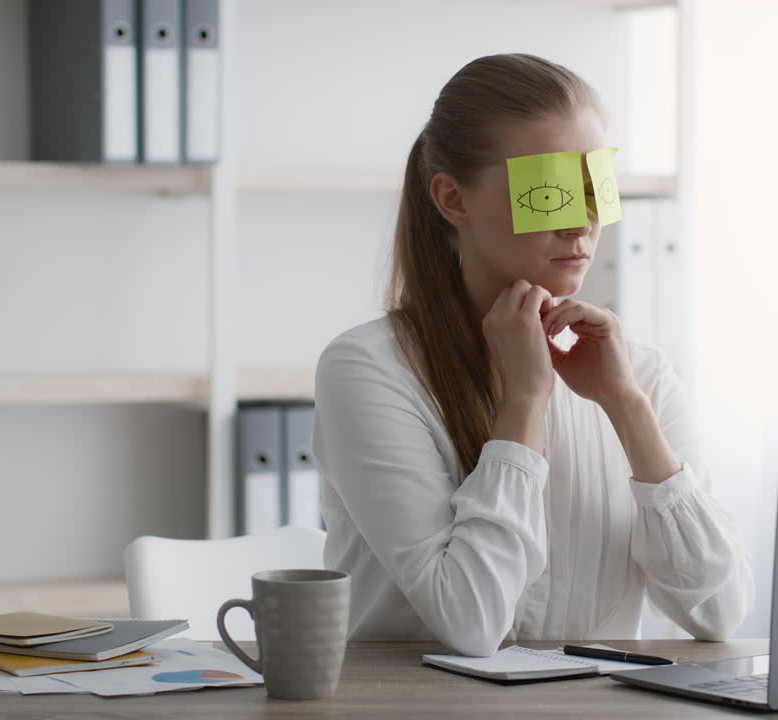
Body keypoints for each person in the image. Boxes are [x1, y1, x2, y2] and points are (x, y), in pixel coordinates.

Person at [311, 53, 754, 657]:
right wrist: (524, 401)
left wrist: (626, 406)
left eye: (594, 188)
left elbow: (721, 612)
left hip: (597, 701)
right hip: (424, 701)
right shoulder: (369, 371)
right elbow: (470, 623)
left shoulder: (641, 373)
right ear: (453, 199)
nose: (582, 225)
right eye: (550, 192)